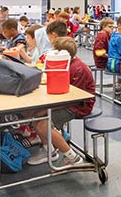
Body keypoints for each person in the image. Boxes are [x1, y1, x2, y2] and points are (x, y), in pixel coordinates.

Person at [25, 37, 90, 166]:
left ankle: (73, 157)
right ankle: (49, 151)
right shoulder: (64, 64)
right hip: (65, 101)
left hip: (79, 106)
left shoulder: (77, 69)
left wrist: (45, 109)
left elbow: (73, 99)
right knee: (35, 116)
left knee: (42, 124)